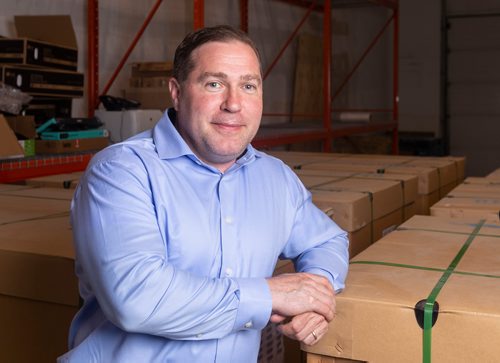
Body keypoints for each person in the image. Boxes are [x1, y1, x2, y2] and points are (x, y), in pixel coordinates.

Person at [59, 25, 349, 363]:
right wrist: (272, 295)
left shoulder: (275, 178)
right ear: (177, 92)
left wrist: (314, 293)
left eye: (248, 86)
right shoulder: (121, 171)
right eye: (215, 84)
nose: (233, 104)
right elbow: (138, 298)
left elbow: (327, 241)